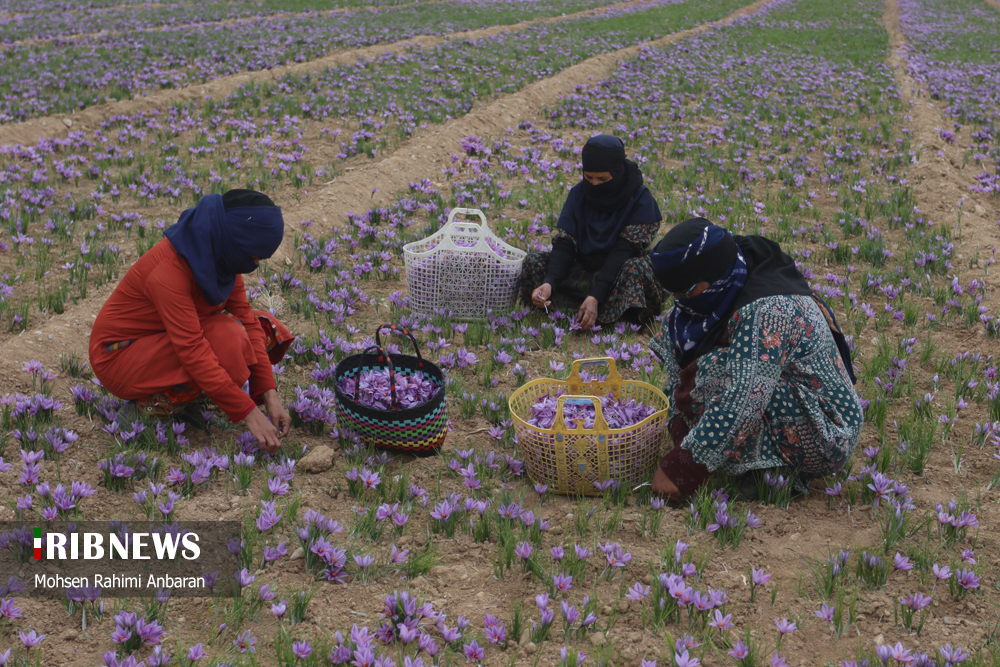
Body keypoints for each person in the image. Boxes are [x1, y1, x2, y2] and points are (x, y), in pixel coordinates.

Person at [646, 218, 862, 498]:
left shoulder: (769, 309)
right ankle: (741, 459)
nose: (680, 300)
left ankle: (772, 474)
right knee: (701, 371)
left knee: (714, 372)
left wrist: (683, 469)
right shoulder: (720, 282)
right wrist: (679, 433)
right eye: (673, 293)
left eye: (686, 292)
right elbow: (677, 374)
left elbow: (745, 397)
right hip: (784, 399)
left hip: (826, 430)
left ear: (713, 275)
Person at [89, 190, 295, 453]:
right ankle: (146, 410)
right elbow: (193, 349)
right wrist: (249, 413)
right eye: (253, 256)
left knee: (264, 327)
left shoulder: (218, 254)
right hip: (120, 355)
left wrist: (269, 394)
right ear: (233, 240)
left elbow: (246, 317)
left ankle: (184, 400)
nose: (252, 265)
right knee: (228, 340)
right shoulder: (168, 272)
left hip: (163, 341)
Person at [519, 134, 665, 330]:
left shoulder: (640, 199)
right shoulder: (579, 194)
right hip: (584, 268)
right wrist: (549, 282)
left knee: (636, 270)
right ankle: (574, 307)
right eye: (589, 177)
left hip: (619, 273)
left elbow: (622, 252)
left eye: (603, 179)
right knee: (533, 261)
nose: (595, 184)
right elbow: (565, 244)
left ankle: (607, 311)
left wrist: (596, 295)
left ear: (618, 172)